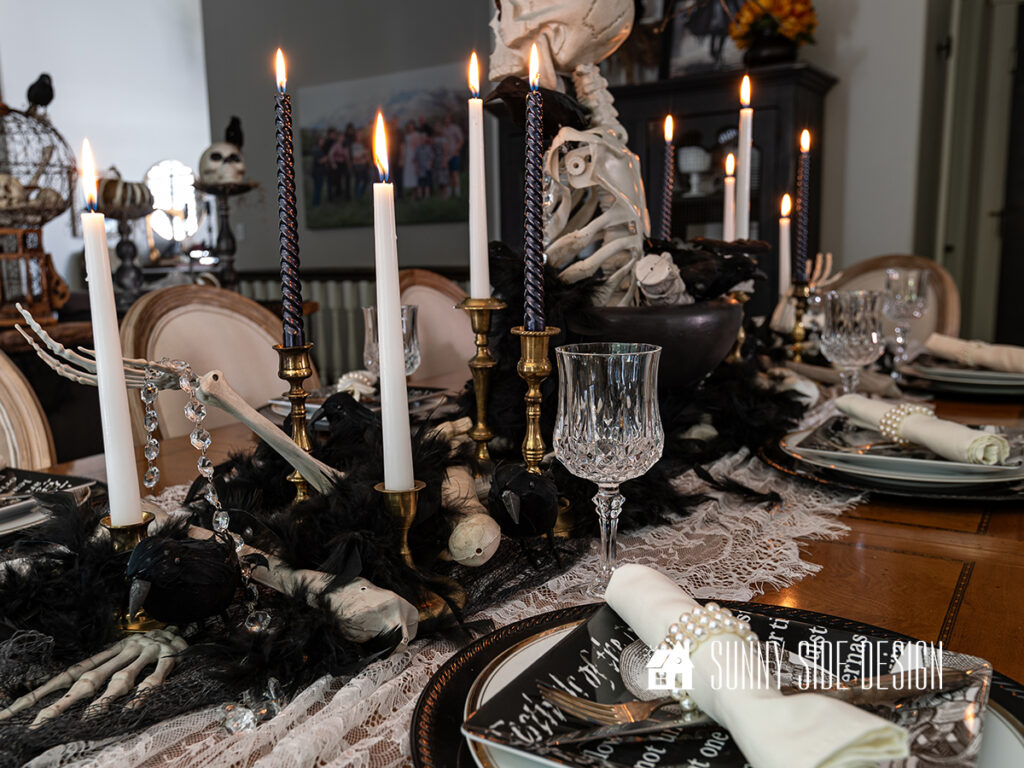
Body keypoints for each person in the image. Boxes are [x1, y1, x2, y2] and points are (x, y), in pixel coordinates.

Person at [442, 114, 464, 199]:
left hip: (454, 155)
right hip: (446, 156)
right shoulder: (443, 130)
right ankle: (448, 194)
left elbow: (461, 140)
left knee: (455, 174)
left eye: (448, 119)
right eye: (445, 119)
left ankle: (457, 194)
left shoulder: (455, 128)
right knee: (447, 175)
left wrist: (456, 149)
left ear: (450, 119)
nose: (446, 120)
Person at [327, 129, 350, 203]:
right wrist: (333, 163)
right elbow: (330, 154)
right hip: (337, 165)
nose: (342, 138)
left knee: (346, 179)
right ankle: (336, 196)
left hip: (343, 165)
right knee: (337, 181)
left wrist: (348, 164)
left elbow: (347, 156)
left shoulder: (345, 146)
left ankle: (345, 196)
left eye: (343, 137)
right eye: (341, 137)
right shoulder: (336, 145)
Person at [401, 121, 421, 200]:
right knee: (410, 174)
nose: (410, 128)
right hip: (408, 156)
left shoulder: (416, 135)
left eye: (411, 126)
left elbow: (418, 145)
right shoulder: (406, 135)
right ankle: (412, 193)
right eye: (409, 126)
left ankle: (418, 193)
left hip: (415, 155)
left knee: (415, 174)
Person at [414, 124, 434, 199]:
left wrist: (429, 165)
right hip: (420, 169)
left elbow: (431, 157)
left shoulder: (428, 148)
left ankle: (427, 196)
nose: (422, 140)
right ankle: (419, 196)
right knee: (420, 183)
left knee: (427, 184)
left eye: (423, 139)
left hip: (426, 169)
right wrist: (416, 168)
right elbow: (415, 159)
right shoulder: (418, 149)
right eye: (421, 139)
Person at [350, 129, 370, 201]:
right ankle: (357, 197)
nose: (360, 136)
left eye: (361, 134)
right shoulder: (354, 145)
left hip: (364, 165)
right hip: (357, 166)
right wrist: (363, 155)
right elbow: (356, 157)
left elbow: (367, 155)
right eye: (358, 134)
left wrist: (365, 158)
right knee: (358, 181)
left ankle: (360, 194)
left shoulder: (363, 144)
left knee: (366, 179)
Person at [432, 122, 449, 199]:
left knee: (443, 177)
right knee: (438, 177)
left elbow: (445, 151)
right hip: (436, 160)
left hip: (441, 159)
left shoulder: (443, 139)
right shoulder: (434, 138)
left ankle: (445, 194)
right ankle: (440, 194)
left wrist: (444, 161)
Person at [310, 135, 328, 207]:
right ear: (318, 141)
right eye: (321, 141)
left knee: (319, 188)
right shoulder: (316, 149)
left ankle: (318, 202)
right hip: (317, 173)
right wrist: (325, 158)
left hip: (320, 172)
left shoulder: (320, 149)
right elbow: (319, 161)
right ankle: (316, 204)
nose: (323, 142)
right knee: (317, 188)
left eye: (323, 141)